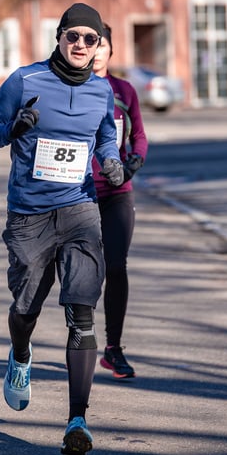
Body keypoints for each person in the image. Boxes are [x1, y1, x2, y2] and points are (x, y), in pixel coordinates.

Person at [0, 3, 123, 455]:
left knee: (82, 312)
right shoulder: (26, 80)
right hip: (29, 215)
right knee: (26, 309)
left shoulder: (102, 91)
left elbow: (105, 135)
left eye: (90, 39)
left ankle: (77, 420)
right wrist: (13, 127)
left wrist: (110, 160)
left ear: (98, 46)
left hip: (80, 210)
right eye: (72, 35)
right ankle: (20, 354)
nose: (80, 44)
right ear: (59, 37)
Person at [89, 24, 148, 379]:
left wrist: (134, 163)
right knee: (80, 273)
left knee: (115, 266)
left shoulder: (124, 90)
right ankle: (79, 343)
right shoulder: (72, 89)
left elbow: (139, 135)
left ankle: (113, 349)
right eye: (90, 43)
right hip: (79, 195)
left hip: (117, 193)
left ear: (110, 50)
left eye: (102, 44)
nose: (95, 51)